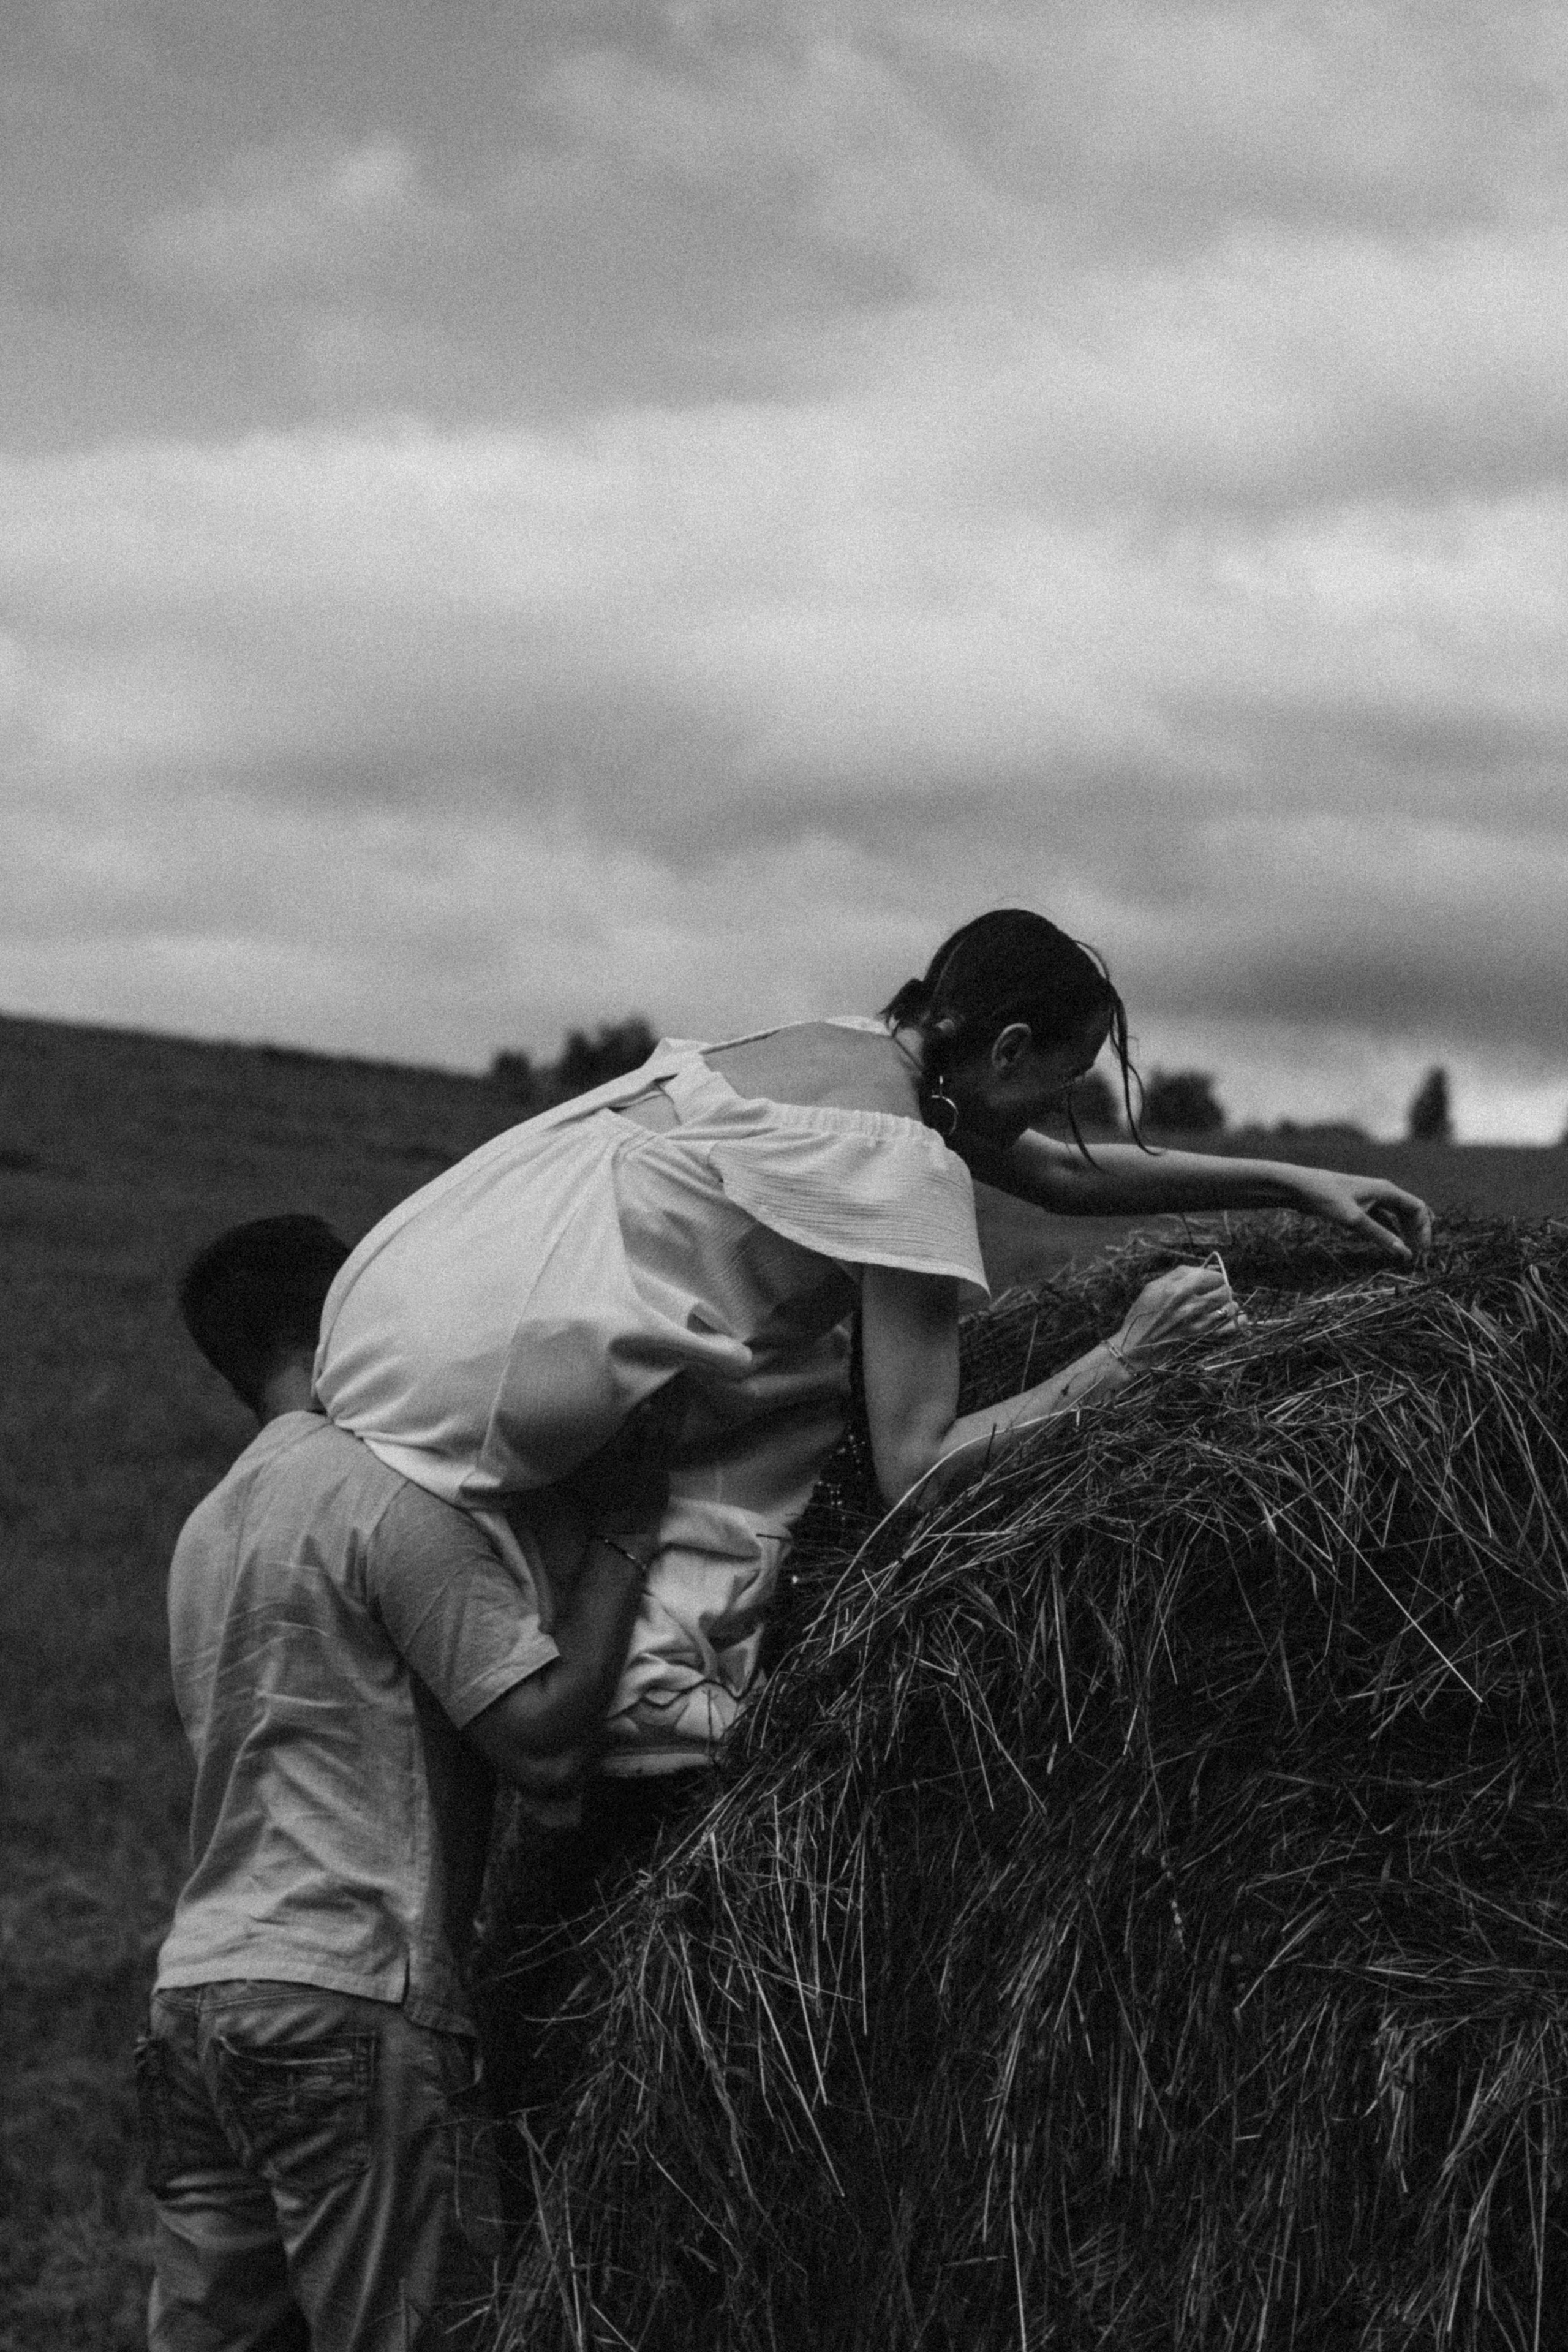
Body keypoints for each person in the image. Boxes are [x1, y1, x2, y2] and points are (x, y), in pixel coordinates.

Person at [314, 911, 1430, 1808]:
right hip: (486, 1382)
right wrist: (1126, 1360)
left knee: (759, 1321)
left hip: (404, 1305)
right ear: (1007, 1050)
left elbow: (1060, 1177)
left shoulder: (848, 1052)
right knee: (811, 1370)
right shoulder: (901, 1162)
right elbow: (917, 1468)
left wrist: (1293, 1183)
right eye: (1063, 1081)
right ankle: (656, 1688)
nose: (1063, 1110)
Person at [138, 1215, 668, 2352]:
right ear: (355, 1312)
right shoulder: (386, 1495)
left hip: (194, 2009)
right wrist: (625, 1536)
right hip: (348, 1995)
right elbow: (543, 1741)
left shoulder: (205, 1530)